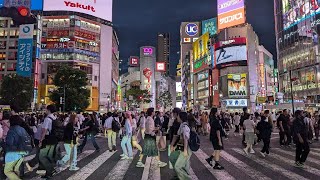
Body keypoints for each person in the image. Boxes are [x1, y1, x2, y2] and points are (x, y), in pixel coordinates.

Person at [4, 115, 31, 180]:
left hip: (14, 152)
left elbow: (10, 143)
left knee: (7, 171)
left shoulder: (12, 130)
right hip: (24, 151)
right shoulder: (22, 129)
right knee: (16, 169)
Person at [39, 105, 58, 179]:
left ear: (49, 110)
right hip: (54, 139)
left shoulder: (47, 119)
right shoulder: (54, 117)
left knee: (43, 156)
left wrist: (41, 140)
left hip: (48, 139)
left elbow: (44, 130)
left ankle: (49, 172)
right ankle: (51, 170)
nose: (45, 111)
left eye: (46, 109)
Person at [172, 112, 192, 180]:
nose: (177, 117)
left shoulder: (184, 126)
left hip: (186, 148)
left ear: (181, 117)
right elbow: (178, 136)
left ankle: (187, 178)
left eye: (178, 116)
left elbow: (185, 138)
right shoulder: (182, 125)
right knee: (185, 166)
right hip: (183, 147)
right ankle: (181, 177)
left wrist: (185, 150)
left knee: (177, 166)